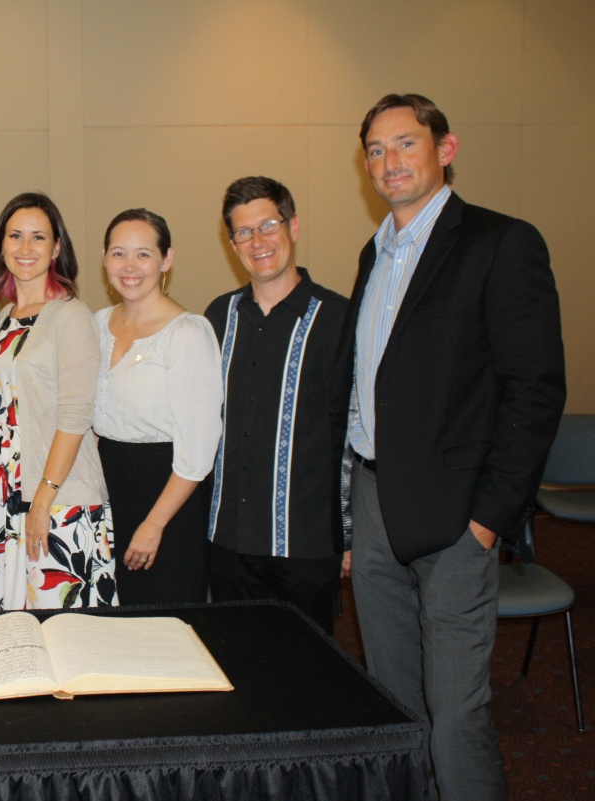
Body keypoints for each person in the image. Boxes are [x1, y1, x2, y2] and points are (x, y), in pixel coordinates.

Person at [331, 94, 565, 800]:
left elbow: (535, 391)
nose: (389, 162)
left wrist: (489, 517)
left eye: (405, 143)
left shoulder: (500, 242)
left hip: (458, 515)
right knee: (396, 700)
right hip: (376, 503)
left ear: (446, 148)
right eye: (375, 149)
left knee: (457, 715)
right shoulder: (373, 254)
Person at [204, 178, 348, 634]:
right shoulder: (216, 317)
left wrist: (351, 536)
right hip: (227, 539)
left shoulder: (339, 320)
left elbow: (354, 434)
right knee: (239, 665)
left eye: (268, 225)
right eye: (244, 232)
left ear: (294, 227)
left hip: (306, 541)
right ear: (232, 244)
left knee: (309, 671)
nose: (258, 241)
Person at [0, 192, 117, 610]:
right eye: (15, 236)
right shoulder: (5, 317)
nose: (25, 248)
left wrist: (42, 498)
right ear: (2, 245)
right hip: (3, 489)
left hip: (57, 493)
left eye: (38, 237)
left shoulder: (70, 316)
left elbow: (76, 415)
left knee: (60, 628)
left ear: (56, 247)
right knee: (12, 631)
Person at [93, 209, 221, 605]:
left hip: (166, 498)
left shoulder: (187, 334)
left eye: (143, 254)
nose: (130, 266)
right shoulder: (94, 324)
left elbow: (198, 452)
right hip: (106, 489)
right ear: (104, 258)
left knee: (163, 624)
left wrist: (154, 524)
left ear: (166, 260)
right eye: (118, 253)